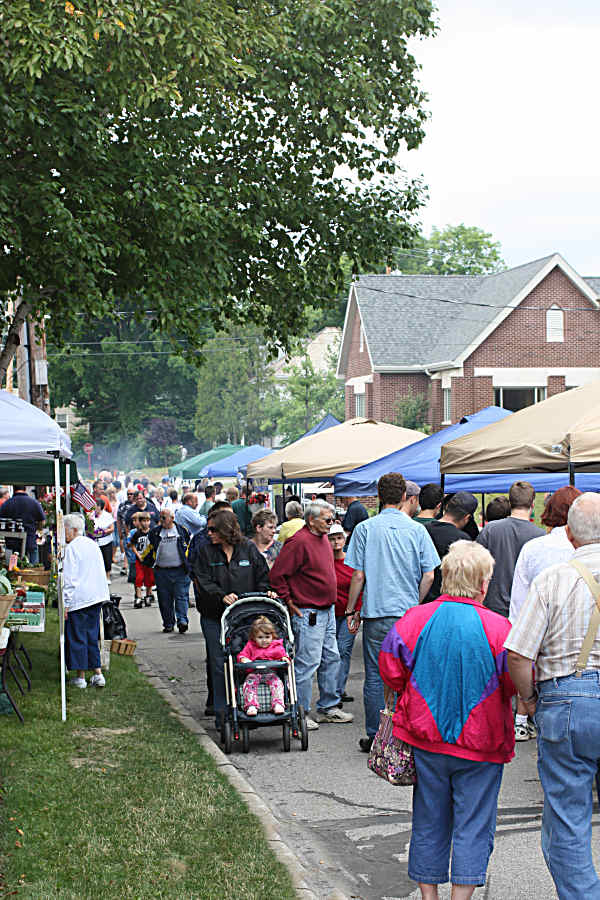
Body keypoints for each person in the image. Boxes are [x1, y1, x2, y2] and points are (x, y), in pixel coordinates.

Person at [380, 540, 516, 899]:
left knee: (428, 820)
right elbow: (513, 680)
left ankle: (429, 897)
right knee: (474, 824)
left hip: (425, 738)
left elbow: (391, 669)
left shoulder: (415, 619)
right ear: (483, 583)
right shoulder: (500, 628)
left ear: (444, 578)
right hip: (482, 743)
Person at [506, 493, 600, 900]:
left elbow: (519, 653)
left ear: (571, 537)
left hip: (567, 699)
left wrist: (527, 699)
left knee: (567, 818)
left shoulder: (555, 578)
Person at [345, 473, 440, 753]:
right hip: (407, 613)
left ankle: (376, 734)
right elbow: (430, 575)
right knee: (409, 673)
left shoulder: (365, 529)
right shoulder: (417, 530)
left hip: (376, 612)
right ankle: (406, 730)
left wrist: (352, 608)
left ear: (378, 495)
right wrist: (415, 600)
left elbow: (359, 575)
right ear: (403, 497)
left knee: (375, 675)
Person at [270, 502, 354, 731]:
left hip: (325, 610)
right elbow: (277, 575)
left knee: (331, 658)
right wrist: (289, 602)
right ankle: (300, 711)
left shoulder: (322, 539)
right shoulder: (298, 541)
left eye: (333, 518)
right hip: (309, 611)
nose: (332, 523)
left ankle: (328, 707)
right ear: (311, 520)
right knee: (307, 663)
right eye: (327, 519)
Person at [508, 485, 582, 743]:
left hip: (546, 658)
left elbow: (517, 609)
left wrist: (526, 696)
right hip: (589, 656)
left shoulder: (534, 548)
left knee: (557, 751)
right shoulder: (589, 551)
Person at [193, 509, 270, 728]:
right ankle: (222, 713)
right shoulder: (205, 552)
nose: (208, 533)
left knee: (245, 661)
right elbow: (203, 580)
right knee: (219, 663)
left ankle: (248, 707)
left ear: (226, 530)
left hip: (245, 617)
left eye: (213, 529)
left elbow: (262, 577)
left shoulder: (248, 549)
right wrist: (221, 595)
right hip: (214, 616)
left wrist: (263, 595)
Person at [476, 481, 544, 617]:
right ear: (532, 504)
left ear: (510, 502)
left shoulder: (491, 529)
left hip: (493, 607)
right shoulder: (540, 536)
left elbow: (475, 567)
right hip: (525, 610)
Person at [63, 513, 110, 689]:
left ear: (73, 530)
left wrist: (66, 603)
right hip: (95, 596)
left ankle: (80, 676)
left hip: (80, 597)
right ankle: (98, 674)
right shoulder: (92, 544)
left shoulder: (72, 548)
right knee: (91, 636)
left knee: (77, 637)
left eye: (65, 530)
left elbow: (70, 579)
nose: (64, 534)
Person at [328, 522, 362, 703]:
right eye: (332, 539)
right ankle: (332, 690)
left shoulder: (351, 561)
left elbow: (361, 586)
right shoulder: (324, 563)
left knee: (344, 650)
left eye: (339, 538)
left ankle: (339, 689)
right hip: (330, 614)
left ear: (345, 538)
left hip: (350, 613)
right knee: (331, 652)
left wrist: (357, 610)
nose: (336, 542)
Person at [424, 491, 477, 602]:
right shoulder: (463, 540)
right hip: (449, 601)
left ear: (446, 507)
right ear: (467, 517)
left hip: (422, 599)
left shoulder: (423, 530)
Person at [146, 508, 191, 634]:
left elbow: (189, 547)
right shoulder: (155, 533)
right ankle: (168, 623)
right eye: (160, 517)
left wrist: (190, 565)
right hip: (161, 572)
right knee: (164, 599)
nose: (161, 520)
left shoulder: (182, 531)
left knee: (181, 596)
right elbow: (148, 550)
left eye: (164, 517)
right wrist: (146, 563)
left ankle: (182, 621)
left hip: (180, 570)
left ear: (172, 518)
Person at [238, 615, 287, 715]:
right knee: (249, 683)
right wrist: (243, 659)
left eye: (267, 637)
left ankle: (278, 704)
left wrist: (285, 658)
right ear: (254, 637)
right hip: (254, 673)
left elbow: (283, 656)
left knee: (277, 683)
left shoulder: (276, 646)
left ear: (273, 636)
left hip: (271, 673)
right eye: (260, 637)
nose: (264, 640)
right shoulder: (250, 646)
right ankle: (251, 705)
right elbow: (242, 655)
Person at [1, 485, 45, 564]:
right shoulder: (34, 503)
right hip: (30, 542)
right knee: (33, 571)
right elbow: (42, 521)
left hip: (11, 545)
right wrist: (38, 529)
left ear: (14, 489)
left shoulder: (7, 504)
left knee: (12, 573)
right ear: (25, 489)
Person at [127, 511, 154, 609]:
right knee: (139, 578)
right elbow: (132, 545)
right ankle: (138, 597)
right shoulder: (137, 533)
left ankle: (148, 595)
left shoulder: (152, 532)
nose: (145, 523)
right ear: (140, 522)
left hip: (150, 560)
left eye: (147, 521)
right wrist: (138, 555)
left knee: (149, 578)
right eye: (143, 521)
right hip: (140, 559)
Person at [92, 498, 114, 584]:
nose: (94, 508)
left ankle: (107, 576)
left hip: (106, 540)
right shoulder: (91, 515)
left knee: (107, 559)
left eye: (96, 506)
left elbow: (112, 528)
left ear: (100, 507)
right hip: (95, 541)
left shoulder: (107, 515)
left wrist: (104, 532)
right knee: (96, 560)